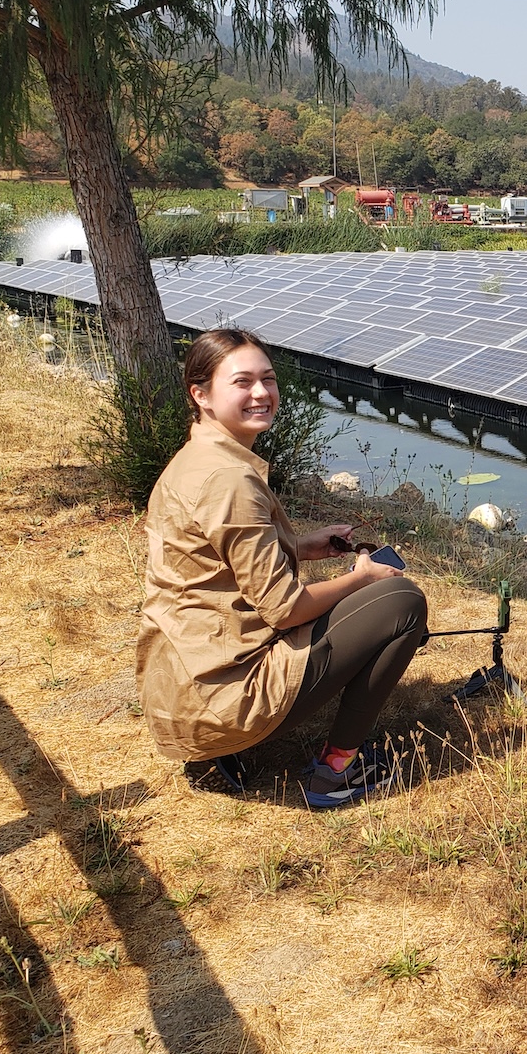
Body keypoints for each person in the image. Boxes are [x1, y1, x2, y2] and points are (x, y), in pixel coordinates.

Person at [136, 328, 427, 807]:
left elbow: (216, 565)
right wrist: (360, 578)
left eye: (268, 379)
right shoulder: (229, 480)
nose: (261, 393)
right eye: (242, 382)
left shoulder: (196, 459)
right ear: (201, 394)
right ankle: (337, 771)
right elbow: (286, 609)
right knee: (401, 600)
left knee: (376, 599)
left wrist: (300, 546)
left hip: (183, 687)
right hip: (225, 698)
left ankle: (217, 753)